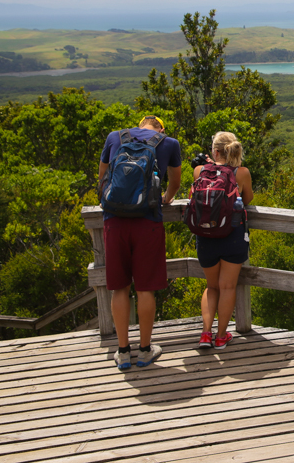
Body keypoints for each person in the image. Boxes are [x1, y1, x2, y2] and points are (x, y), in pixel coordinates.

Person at [97, 115, 181, 370]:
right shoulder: (169, 143)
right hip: (147, 222)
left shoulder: (115, 137)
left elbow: (102, 178)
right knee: (145, 288)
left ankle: (123, 352)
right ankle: (145, 351)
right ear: (161, 129)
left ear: (138, 125)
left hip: (114, 221)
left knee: (119, 287)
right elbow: (174, 182)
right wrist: (166, 198)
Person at [194, 131, 253, 350]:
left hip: (206, 235)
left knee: (211, 287)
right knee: (227, 287)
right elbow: (247, 199)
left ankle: (205, 334)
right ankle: (221, 337)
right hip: (233, 236)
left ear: (215, 151)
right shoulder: (242, 173)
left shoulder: (199, 170)